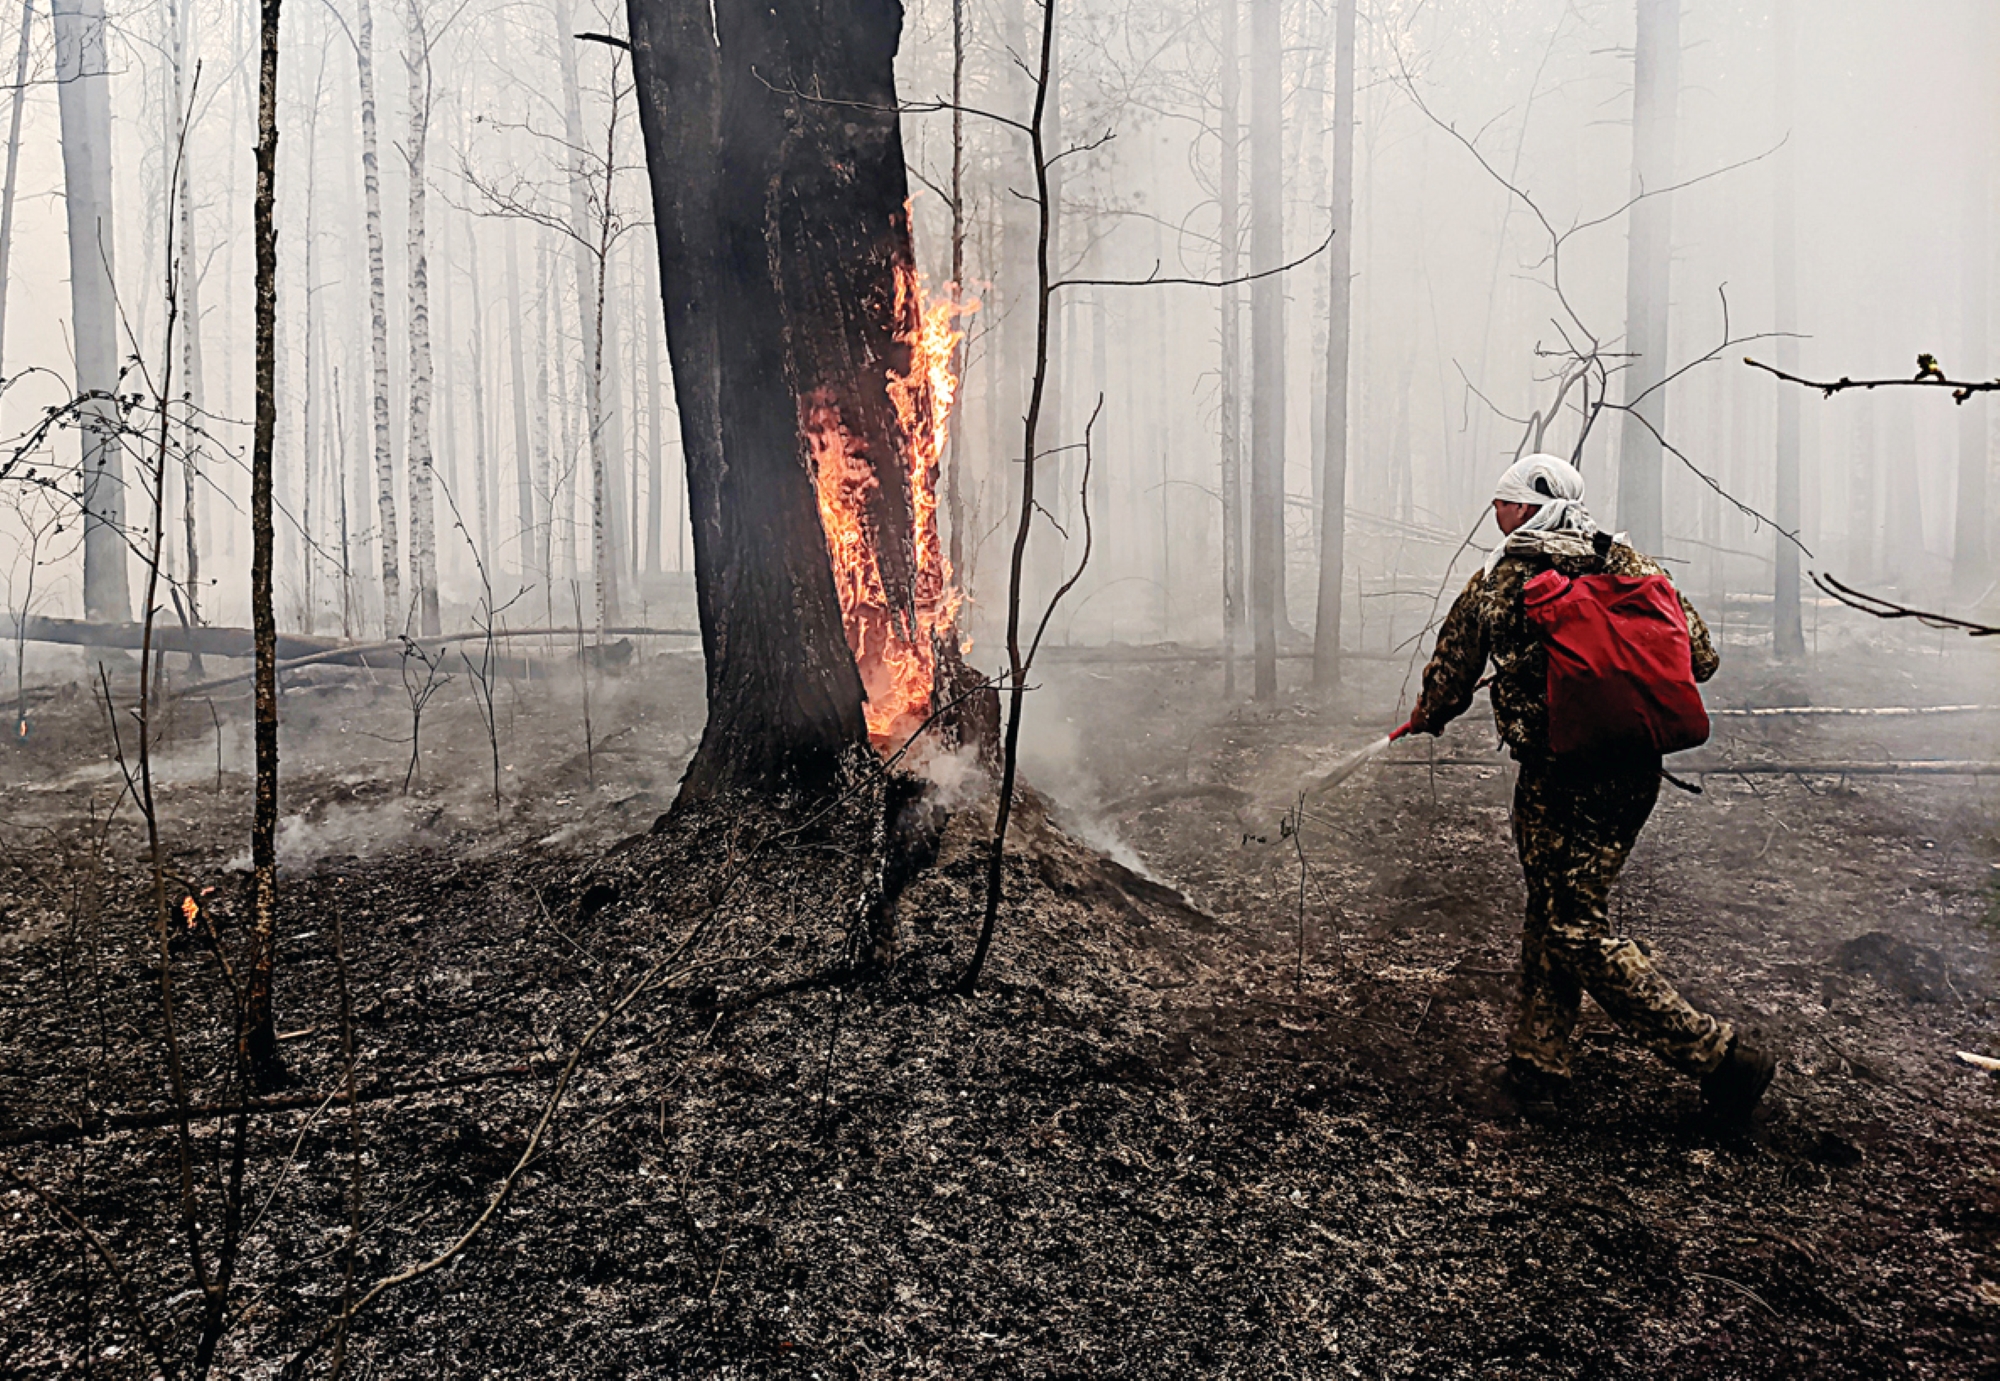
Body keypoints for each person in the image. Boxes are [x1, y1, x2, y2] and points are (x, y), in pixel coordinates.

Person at [1407, 454, 1776, 1117]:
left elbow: (1449, 680)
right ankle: (1538, 1057)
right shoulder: (1630, 563)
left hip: (1559, 777)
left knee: (1572, 924)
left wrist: (1425, 717)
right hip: (1633, 772)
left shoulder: (1500, 583)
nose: (1494, 514)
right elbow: (1703, 657)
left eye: (1501, 502)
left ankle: (1721, 1055)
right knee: (1553, 905)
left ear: (1523, 508)